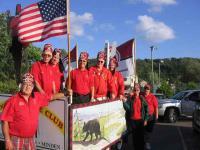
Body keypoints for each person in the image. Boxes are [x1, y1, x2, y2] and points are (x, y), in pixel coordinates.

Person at [1, 73, 65, 150]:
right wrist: (7, 141)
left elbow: (50, 97)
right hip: (15, 139)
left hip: (31, 139)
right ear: (20, 85)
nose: (28, 87)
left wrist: (65, 93)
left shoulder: (37, 97)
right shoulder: (12, 101)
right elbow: (5, 122)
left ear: (33, 87)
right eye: (25, 84)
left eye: (30, 85)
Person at [122, 83, 149, 150]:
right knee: (135, 138)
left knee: (141, 137)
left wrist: (146, 119)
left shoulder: (142, 98)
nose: (136, 91)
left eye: (137, 90)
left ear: (139, 91)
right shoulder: (130, 99)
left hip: (140, 120)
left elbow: (147, 109)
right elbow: (127, 109)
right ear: (133, 91)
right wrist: (124, 102)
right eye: (135, 90)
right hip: (133, 121)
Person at [143, 84, 158, 150]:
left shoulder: (152, 97)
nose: (146, 90)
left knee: (149, 131)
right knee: (144, 131)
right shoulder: (142, 96)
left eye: (148, 89)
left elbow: (156, 107)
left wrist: (156, 115)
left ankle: (146, 142)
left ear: (150, 90)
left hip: (151, 116)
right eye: (145, 88)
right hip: (143, 116)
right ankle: (146, 143)